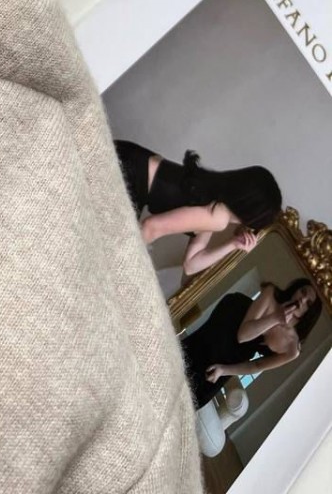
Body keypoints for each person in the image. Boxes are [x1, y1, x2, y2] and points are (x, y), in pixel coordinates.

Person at [114, 140, 282, 274]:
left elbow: (191, 265)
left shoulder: (217, 204)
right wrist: (122, 260)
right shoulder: (218, 216)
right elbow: (150, 227)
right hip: (128, 172)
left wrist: (233, 244)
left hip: (129, 157)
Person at [180, 279, 321, 407]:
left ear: (310, 313)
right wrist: (275, 318)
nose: (302, 299)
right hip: (230, 319)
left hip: (237, 354)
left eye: (308, 303)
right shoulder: (271, 293)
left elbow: (257, 365)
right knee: (189, 358)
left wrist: (223, 370)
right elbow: (243, 335)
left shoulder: (292, 348)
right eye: (303, 292)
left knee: (198, 393)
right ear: (296, 289)